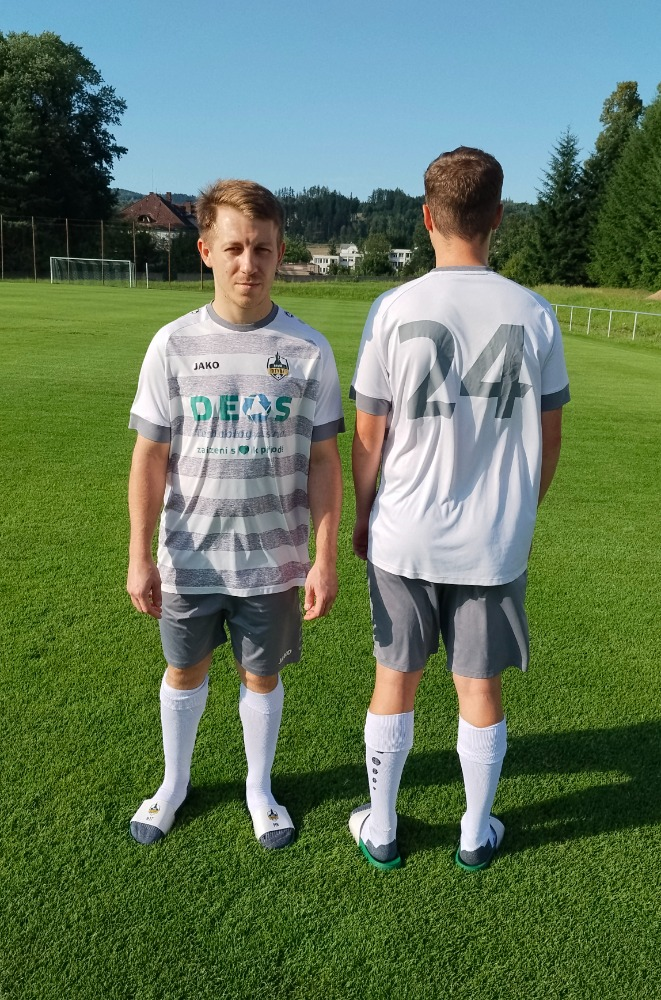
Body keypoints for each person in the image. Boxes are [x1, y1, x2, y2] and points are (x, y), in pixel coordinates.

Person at [348, 147, 570, 871]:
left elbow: (369, 437)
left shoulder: (392, 308)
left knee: (394, 678)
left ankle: (382, 827)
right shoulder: (534, 313)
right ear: (497, 216)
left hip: (404, 533)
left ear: (426, 216)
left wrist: (362, 515)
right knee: (479, 685)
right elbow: (549, 440)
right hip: (491, 542)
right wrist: (517, 514)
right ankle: (474, 833)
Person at [127, 179, 343, 849]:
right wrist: (139, 555)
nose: (249, 264)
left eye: (263, 249)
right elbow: (149, 457)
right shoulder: (172, 344)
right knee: (184, 671)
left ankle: (259, 788)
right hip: (189, 555)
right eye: (234, 248)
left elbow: (324, 462)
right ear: (206, 252)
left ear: (280, 253)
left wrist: (324, 559)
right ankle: (174, 783)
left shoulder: (308, 350)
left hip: (273, 559)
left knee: (262, 675)